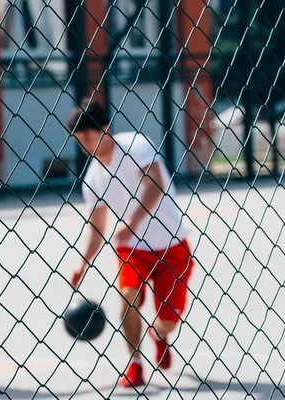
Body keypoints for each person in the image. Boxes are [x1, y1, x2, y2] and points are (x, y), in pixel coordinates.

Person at [67, 99, 194, 388]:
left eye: (88, 137)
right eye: (79, 141)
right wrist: (82, 264)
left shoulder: (135, 145)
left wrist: (131, 222)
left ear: (105, 129)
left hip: (172, 243)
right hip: (132, 248)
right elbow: (97, 226)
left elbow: (155, 184)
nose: (84, 146)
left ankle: (159, 335)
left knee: (169, 319)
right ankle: (134, 364)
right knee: (127, 296)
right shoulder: (93, 178)